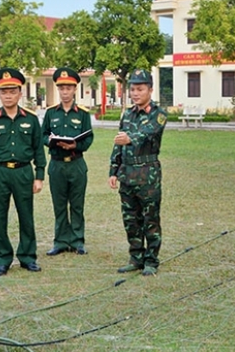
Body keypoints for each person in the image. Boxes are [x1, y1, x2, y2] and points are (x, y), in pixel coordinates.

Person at [0, 68, 46, 276]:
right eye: (4, 91)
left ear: (20, 93)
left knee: (26, 216)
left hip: (23, 172)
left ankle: (27, 257)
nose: (8, 95)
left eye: (12, 91)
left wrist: (39, 176)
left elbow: (38, 148)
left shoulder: (32, 119)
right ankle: (3, 258)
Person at [108, 69, 168, 276]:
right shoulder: (127, 114)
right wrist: (113, 170)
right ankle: (136, 257)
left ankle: (151, 260)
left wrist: (130, 138)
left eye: (140, 89)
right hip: (127, 173)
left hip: (147, 174)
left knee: (150, 219)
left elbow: (148, 132)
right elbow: (118, 143)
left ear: (150, 90)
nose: (135, 93)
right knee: (131, 220)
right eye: (132, 89)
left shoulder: (158, 114)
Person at [41, 67, 94, 256]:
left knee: (77, 204)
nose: (65, 92)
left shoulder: (82, 114)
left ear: (74, 89)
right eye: (61, 88)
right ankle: (61, 241)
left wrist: (75, 146)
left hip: (76, 164)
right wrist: (51, 142)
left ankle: (78, 240)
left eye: (68, 88)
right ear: (58, 89)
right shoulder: (50, 113)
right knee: (59, 204)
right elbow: (43, 135)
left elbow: (88, 138)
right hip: (56, 164)